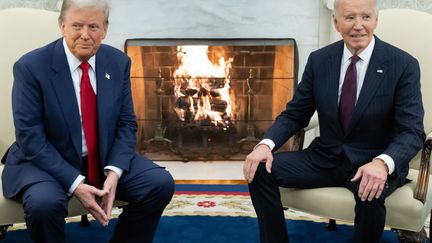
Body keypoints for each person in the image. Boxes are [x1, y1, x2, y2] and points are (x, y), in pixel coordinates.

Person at [243, 0, 425, 242]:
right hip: (325, 157)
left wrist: (382, 164)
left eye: (366, 17)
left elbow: (411, 131)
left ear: (376, 20)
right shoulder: (320, 60)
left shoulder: (403, 65)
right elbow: (295, 113)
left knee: (370, 192)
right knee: (259, 170)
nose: (358, 26)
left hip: (372, 161)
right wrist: (265, 145)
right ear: (336, 22)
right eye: (350, 18)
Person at [1, 0, 175, 242]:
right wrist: (75, 184)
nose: (85, 35)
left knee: (159, 183)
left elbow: (126, 123)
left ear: (105, 29)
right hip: (45, 161)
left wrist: (114, 172)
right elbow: (30, 138)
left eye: (93, 27)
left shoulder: (118, 62)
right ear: (62, 26)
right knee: (43, 204)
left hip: (100, 158)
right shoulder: (31, 67)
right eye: (76, 26)